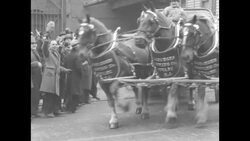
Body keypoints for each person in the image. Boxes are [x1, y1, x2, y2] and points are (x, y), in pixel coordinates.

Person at [39, 39, 71, 118]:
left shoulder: (57, 54)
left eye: (55, 44)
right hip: (49, 77)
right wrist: (46, 42)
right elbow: (44, 48)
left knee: (54, 96)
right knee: (49, 95)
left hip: (55, 77)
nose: (54, 46)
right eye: (52, 44)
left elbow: (57, 66)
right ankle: (48, 112)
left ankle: (53, 110)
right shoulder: (47, 53)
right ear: (50, 46)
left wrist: (65, 70)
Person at [63, 39, 84, 112]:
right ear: (75, 47)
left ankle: (68, 107)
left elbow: (65, 65)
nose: (79, 46)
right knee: (75, 93)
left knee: (69, 92)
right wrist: (81, 74)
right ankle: (72, 108)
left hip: (68, 76)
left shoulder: (67, 55)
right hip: (76, 76)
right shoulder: (77, 56)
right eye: (78, 45)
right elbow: (79, 67)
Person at [31, 35, 43, 118]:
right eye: (32, 43)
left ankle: (34, 111)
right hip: (32, 77)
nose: (34, 44)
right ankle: (33, 112)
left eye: (35, 43)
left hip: (37, 77)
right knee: (33, 95)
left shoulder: (35, 51)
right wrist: (36, 64)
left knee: (36, 95)